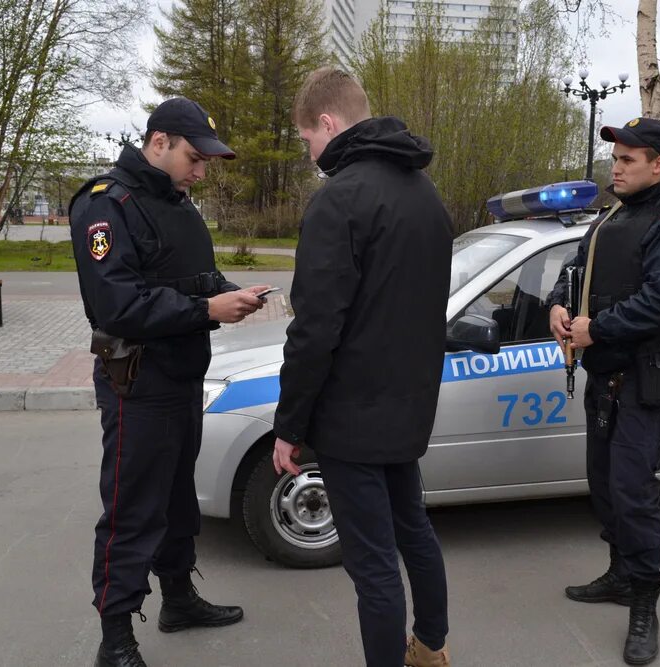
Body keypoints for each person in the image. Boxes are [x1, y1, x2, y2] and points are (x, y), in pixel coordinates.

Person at [69, 97, 269, 667]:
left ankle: (178, 600)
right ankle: (115, 639)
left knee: (179, 498)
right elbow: (118, 305)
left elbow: (192, 277)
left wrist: (231, 292)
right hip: (137, 381)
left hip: (183, 377)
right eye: (193, 157)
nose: (201, 170)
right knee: (132, 507)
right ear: (158, 143)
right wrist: (208, 308)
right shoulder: (107, 206)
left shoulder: (178, 205)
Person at [272, 66, 454, 667]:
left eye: (307, 140)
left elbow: (314, 329)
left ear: (328, 122)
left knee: (373, 565)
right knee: (415, 533)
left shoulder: (340, 199)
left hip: (351, 416)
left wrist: (289, 425)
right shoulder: (426, 195)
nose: (310, 154)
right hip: (407, 408)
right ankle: (430, 648)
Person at [546, 117, 660, 665]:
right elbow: (575, 268)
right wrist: (559, 306)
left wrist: (599, 328)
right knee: (605, 489)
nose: (615, 166)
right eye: (614, 157)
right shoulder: (611, 217)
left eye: (628, 159)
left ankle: (644, 604)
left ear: (658, 165)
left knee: (635, 497)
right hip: (602, 380)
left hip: (641, 380)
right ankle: (619, 575)